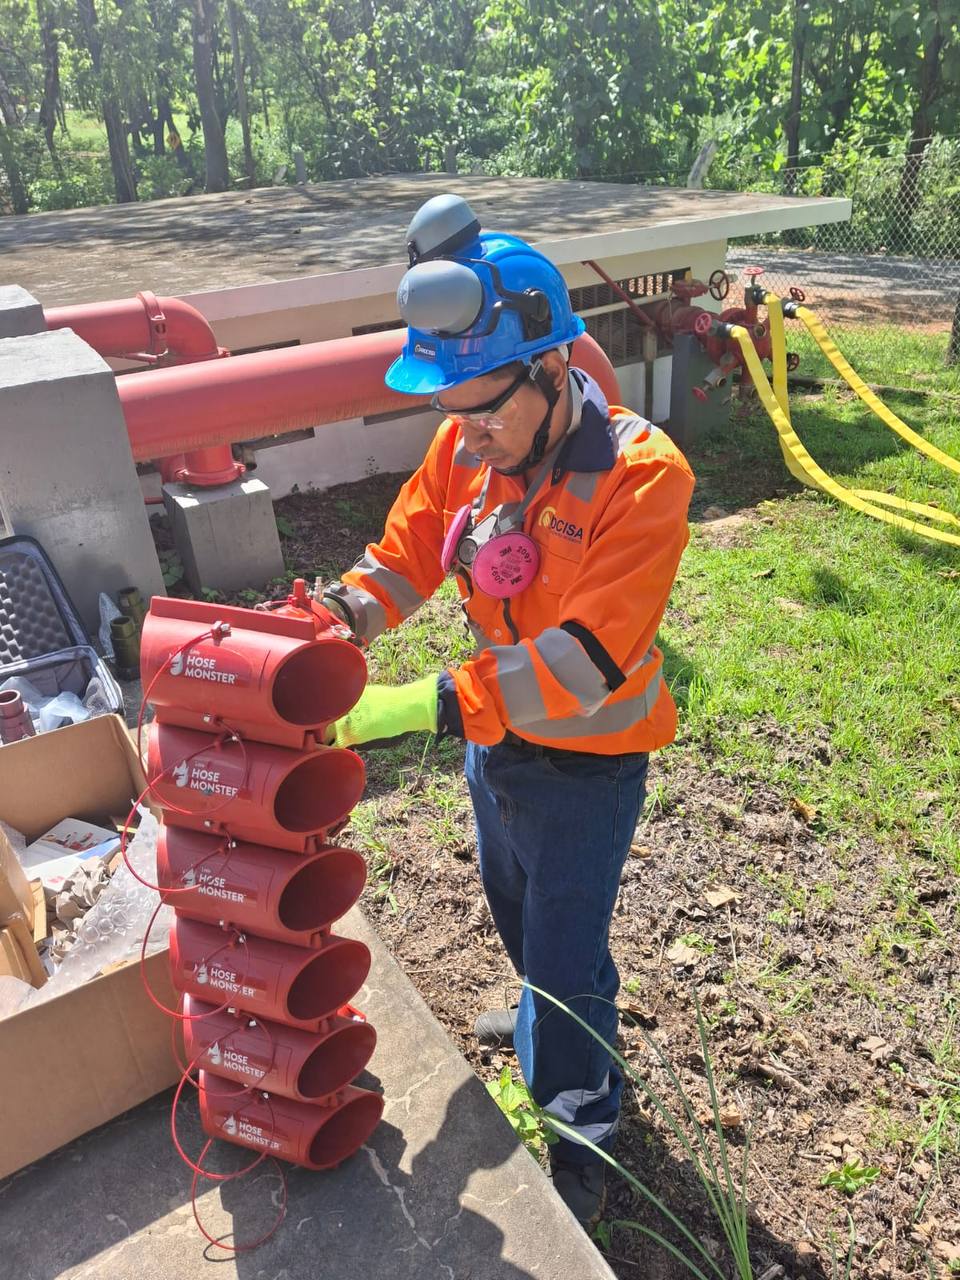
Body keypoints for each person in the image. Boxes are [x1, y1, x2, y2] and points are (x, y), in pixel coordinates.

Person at [323, 194, 694, 1227]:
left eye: (488, 408)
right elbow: (407, 549)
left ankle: (584, 1123)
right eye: (452, 412)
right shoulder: (467, 446)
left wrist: (423, 703)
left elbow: (581, 665)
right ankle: (540, 1020)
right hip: (499, 755)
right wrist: (348, 609)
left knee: (573, 953)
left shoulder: (642, 477)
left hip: (588, 766)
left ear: (551, 366)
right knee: (518, 909)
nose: (470, 433)